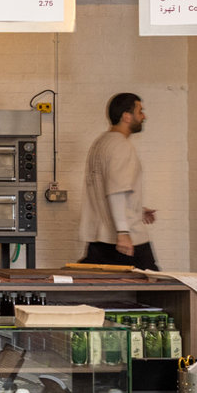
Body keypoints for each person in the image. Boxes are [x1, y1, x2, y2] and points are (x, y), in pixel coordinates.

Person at [79, 92, 158, 270]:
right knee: (157, 288)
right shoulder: (121, 146)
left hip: (100, 235)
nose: (144, 116)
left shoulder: (100, 144)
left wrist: (137, 209)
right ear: (126, 116)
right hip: (126, 237)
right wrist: (123, 232)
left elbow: (108, 189)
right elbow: (116, 191)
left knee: (92, 287)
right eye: (140, 111)